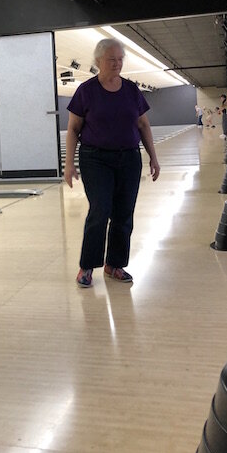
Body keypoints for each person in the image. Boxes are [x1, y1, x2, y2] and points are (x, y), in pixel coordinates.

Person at [63, 38, 160, 287]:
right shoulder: (86, 90)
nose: (117, 64)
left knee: (124, 212)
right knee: (100, 209)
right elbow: (73, 129)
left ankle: (114, 265)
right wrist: (69, 163)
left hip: (129, 158)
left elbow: (143, 125)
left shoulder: (131, 90)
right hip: (95, 159)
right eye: (111, 60)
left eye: (120, 59)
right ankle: (87, 266)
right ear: (98, 62)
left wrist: (153, 157)